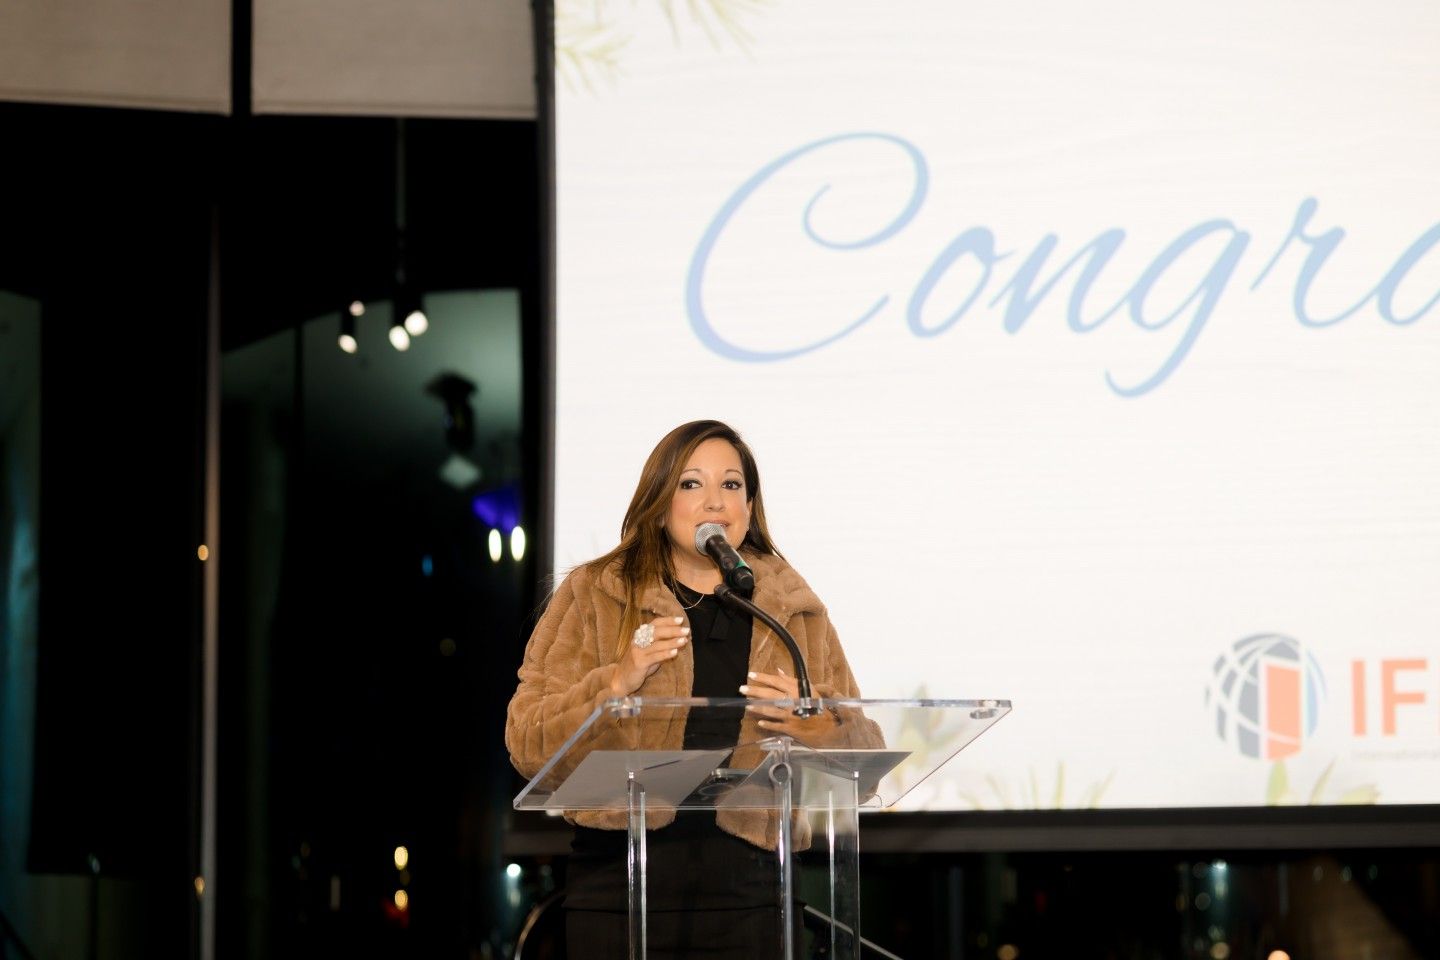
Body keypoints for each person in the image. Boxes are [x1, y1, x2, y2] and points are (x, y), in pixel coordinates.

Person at [505, 419, 874, 960]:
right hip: (618, 897)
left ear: (750, 506)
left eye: (731, 485)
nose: (714, 502)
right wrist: (615, 682)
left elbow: (863, 760)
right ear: (659, 502)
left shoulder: (794, 610)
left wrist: (823, 728)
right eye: (691, 484)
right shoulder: (597, 594)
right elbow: (526, 741)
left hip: (754, 903)